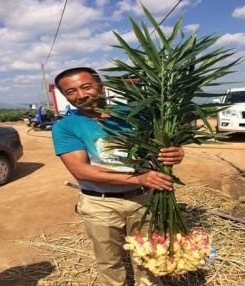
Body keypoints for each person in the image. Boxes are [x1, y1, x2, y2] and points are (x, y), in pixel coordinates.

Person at [51, 67, 185, 286]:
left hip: (144, 199)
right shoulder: (65, 127)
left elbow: (161, 147)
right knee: (109, 263)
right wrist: (138, 179)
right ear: (65, 96)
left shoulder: (137, 115)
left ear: (101, 87)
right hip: (100, 204)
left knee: (149, 257)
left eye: (87, 87)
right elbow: (81, 170)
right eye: (71, 92)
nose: (81, 95)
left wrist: (175, 152)